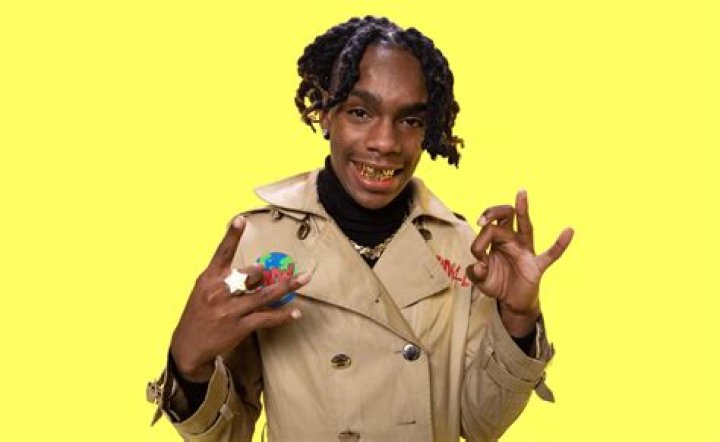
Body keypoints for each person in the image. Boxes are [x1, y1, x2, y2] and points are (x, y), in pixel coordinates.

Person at [146, 16, 574, 442]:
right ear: (325, 113)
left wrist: (518, 318)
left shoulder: (463, 249)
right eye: (360, 112)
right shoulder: (259, 242)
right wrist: (189, 365)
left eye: (409, 120)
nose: (385, 142)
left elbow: (480, 425)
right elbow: (229, 433)